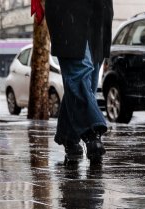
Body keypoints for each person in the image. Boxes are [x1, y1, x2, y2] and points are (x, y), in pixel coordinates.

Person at [41, 0, 113, 162]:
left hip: (99, 12)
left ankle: (68, 136)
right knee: (79, 72)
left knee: (88, 80)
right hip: (66, 9)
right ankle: (92, 131)